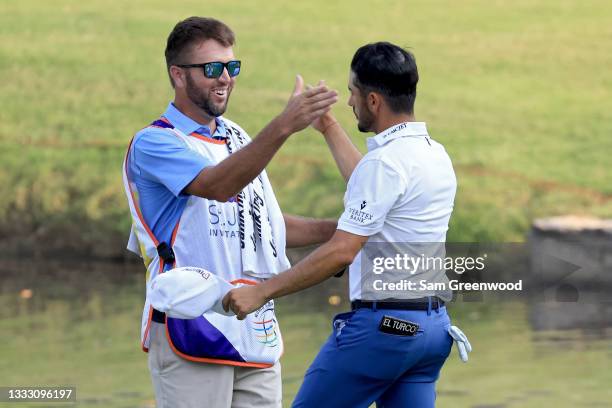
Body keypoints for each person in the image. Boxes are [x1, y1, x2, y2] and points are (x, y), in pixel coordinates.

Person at [224, 42, 470, 407]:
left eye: (352, 93)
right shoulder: (433, 153)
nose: (350, 102)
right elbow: (372, 189)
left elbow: (341, 250)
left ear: (373, 101)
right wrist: (327, 125)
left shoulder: (385, 162)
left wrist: (261, 292)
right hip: (431, 331)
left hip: (385, 332)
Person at [122, 16, 338, 408]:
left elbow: (264, 226)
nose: (225, 78)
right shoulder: (154, 144)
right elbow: (219, 187)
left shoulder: (236, 136)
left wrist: (340, 230)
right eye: (211, 69)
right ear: (178, 75)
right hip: (190, 328)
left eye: (231, 67)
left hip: (254, 328)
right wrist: (284, 126)